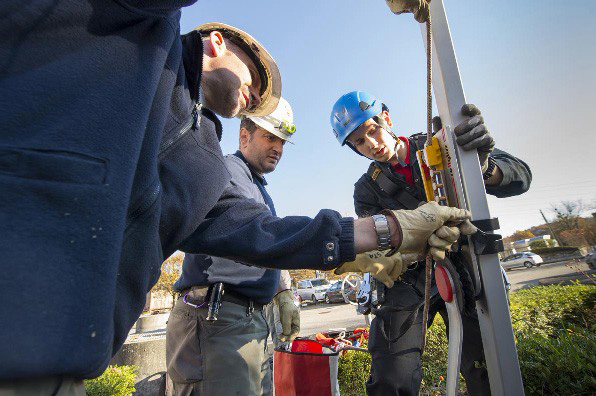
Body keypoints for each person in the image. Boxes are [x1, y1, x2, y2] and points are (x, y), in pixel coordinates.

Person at [1, 6, 475, 393]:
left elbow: (260, 233)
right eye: (255, 81)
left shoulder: (201, 162)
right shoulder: (135, 37)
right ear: (216, 44)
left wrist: (389, 232)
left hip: (59, 357)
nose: (257, 98)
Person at [330, 91, 532, 395]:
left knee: (487, 369)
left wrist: (482, 167)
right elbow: (383, 247)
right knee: (391, 376)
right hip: (408, 278)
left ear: (386, 118)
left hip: (465, 267)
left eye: (372, 130)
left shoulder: (440, 143)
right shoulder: (367, 190)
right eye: (359, 141)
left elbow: (522, 176)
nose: (370, 144)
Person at [165, 98, 301, 396]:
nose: (277, 147)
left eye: (282, 141)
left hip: (247, 320)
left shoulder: (257, 187)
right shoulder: (226, 171)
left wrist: (284, 291)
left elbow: (266, 243)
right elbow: (255, 236)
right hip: (218, 321)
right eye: (269, 137)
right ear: (244, 136)